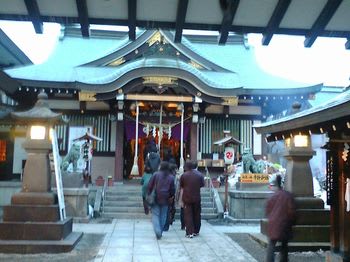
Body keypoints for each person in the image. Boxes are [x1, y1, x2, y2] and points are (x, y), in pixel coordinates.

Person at [265, 174, 296, 262]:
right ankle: (284, 260)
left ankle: (270, 260)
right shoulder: (288, 196)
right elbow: (291, 211)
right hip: (284, 224)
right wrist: (292, 221)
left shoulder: (272, 197)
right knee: (284, 245)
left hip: (273, 224)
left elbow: (268, 211)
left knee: (271, 245)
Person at [148, 161, 175, 239]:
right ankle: (161, 231)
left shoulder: (156, 174)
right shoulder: (171, 177)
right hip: (166, 198)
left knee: (155, 215)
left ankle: (157, 230)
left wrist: (149, 193)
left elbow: (150, 185)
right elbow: (172, 189)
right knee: (163, 215)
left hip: (156, 196)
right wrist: (171, 196)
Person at [180, 160, 205, 238]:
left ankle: (189, 232)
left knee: (188, 215)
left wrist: (180, 199)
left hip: (187, 197)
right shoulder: (200, 175)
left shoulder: (184, 175)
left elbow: (182, 186)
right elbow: (202, 185)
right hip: (197, 196)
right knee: (197, 214)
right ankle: (196, 230)